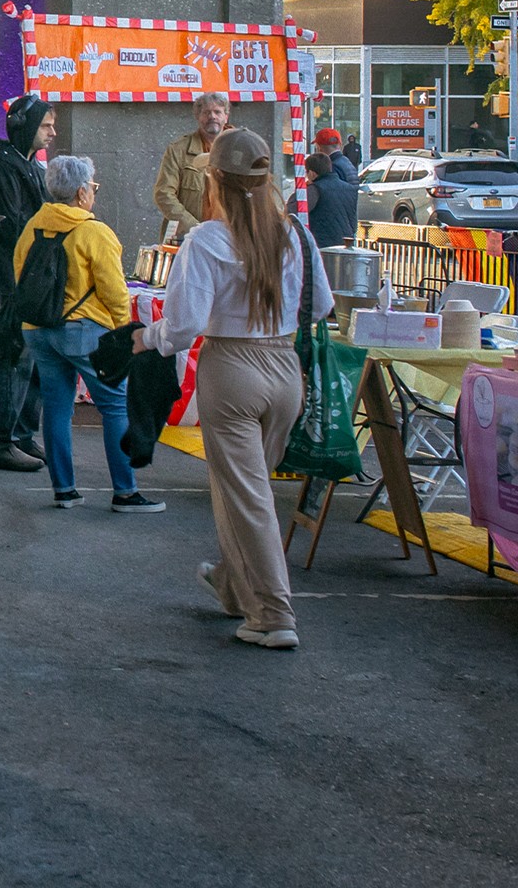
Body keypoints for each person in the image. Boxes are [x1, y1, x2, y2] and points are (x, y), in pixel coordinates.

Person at [144, 128, 317, 650]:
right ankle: (232, 585)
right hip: (286, 368)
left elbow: (182, 326)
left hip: (233, 368)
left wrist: (144, 339)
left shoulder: (208, 240)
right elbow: (323, 304)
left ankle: (272, 614)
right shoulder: (293, 234)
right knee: (251, 493)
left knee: (248, 499)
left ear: (215, 179)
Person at [14, 155, 159, 513]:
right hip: (84, 331)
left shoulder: (33, 226)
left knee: (57, 408)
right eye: (92, 186)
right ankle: (125, 492)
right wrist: (123, 331)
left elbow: (20, 272)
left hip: (38, 330)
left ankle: (64, 489)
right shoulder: (95, 232)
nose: (93, 192)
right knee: (114, 406)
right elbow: (114, 291)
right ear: (81, 193)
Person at [0, 95, 52, 473]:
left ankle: (21, 434)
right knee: (13, 355)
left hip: (29, 273)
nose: (51, 132)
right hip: (14, 275)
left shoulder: (27, 165)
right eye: (46, 126)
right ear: (26, 127)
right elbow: (13, 225)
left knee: (31, 357)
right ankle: (3, 439)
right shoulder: (5, 168)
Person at [152, 91, 231, 240]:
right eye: (206, 112)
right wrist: (196, 229)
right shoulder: (178, 149)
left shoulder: (238, 150)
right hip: (186, 238)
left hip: (228, 238)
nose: (212, 116)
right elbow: (163, 194)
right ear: (198, 117)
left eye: (217, 112)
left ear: (226, 117)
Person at [305, 148, 358, 251]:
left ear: (311, 173)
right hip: (345, 245)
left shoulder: (315, 189)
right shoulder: (350, 189)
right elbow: (352, 219)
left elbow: (294, 211)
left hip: (321, 246)